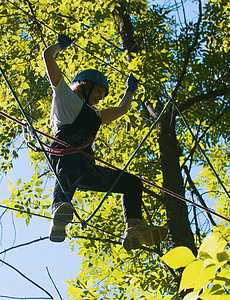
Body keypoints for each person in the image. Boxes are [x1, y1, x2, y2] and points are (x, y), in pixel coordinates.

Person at [42, 33, 167, 250]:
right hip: (66, 152)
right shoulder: (64, 93)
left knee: (131, 183)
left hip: (86, 166)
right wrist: (59, 46)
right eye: (99, 91)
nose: (100, 97)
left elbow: (121, 109)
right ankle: (59, 211)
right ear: (85, 85)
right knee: (69, 168)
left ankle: (134, 227)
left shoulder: (96, 115)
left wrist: (130, 90)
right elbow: (47, 57)